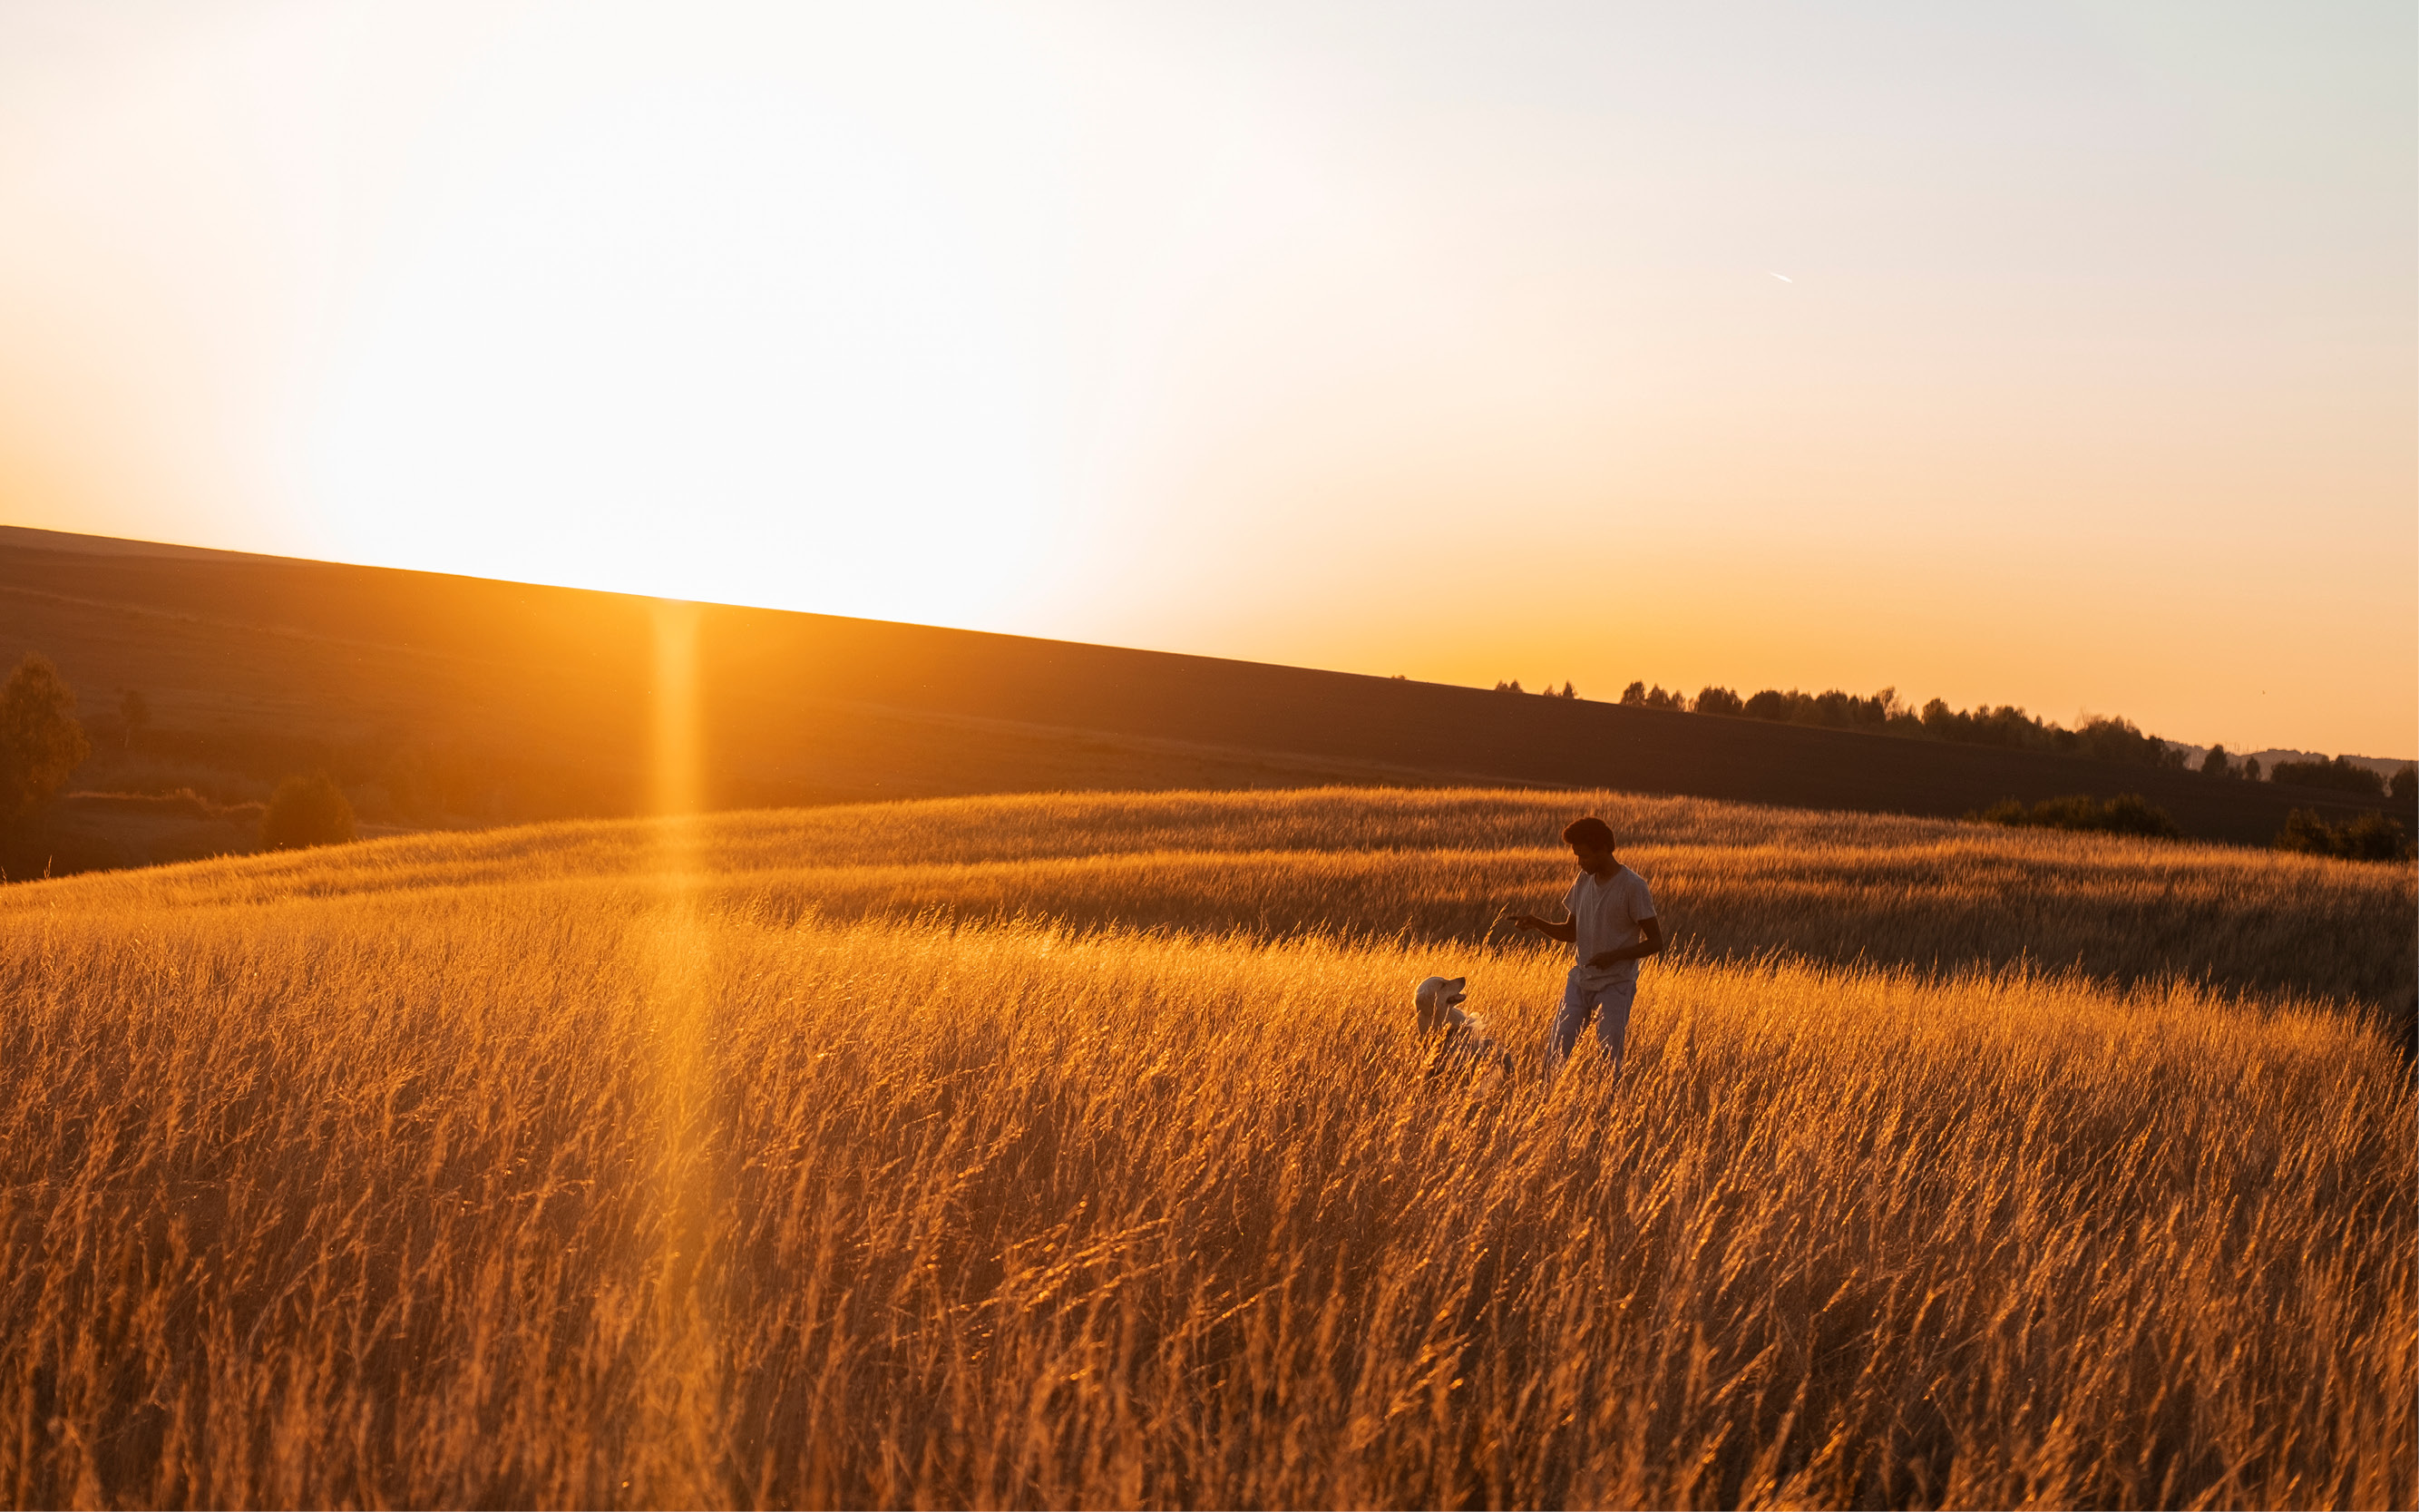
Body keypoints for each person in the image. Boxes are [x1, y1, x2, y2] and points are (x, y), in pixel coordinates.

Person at [1510, 815, 1663, 1078]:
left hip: (1616, 985)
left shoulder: (1633, 886)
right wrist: (1536, 923)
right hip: (1580, 981)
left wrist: (1613, 957)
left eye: (1584, 856)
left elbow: (1656, 942)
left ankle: (1609, 1111)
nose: (1580, 862)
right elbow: (1571, 932)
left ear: (1604, 849)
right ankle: (1544, 1105)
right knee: (1555, 1054)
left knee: (1609, 1061)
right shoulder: (1583, 880)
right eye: (1577, 856)